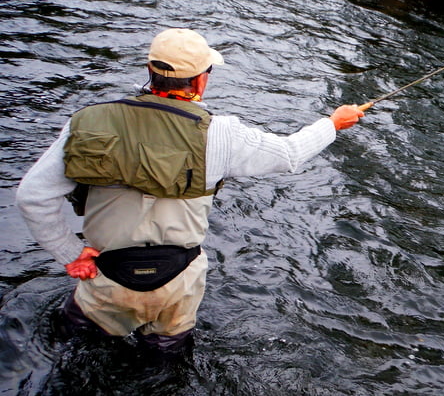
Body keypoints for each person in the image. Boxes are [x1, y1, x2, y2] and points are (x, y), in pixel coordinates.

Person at [16, 28, 365, 352]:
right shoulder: (222, 134)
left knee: (72, 349)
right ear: (200, 79)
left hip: (107, 277)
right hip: (179, 282)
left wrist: (69, 253)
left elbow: (32, 196)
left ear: (149, 70)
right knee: (167, 363)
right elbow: (290, 154)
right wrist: (333, 123)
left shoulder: (88, 123)